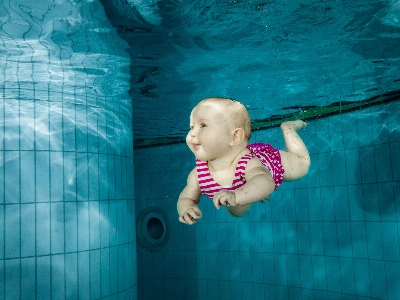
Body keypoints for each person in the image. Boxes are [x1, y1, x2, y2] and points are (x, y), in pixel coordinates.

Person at [177, 97, 310, 225]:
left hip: (270, 162)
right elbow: (186, 198)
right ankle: (251, 191)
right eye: (192, 126)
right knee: (236, 211)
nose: (192, 133)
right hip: (238, 185)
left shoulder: (248, 163)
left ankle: (288, 128)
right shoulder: (198, 175)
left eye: (203, 125)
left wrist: (237, 196)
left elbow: (266, 182)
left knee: (303, 165)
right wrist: (186, 209)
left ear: (234, 137)